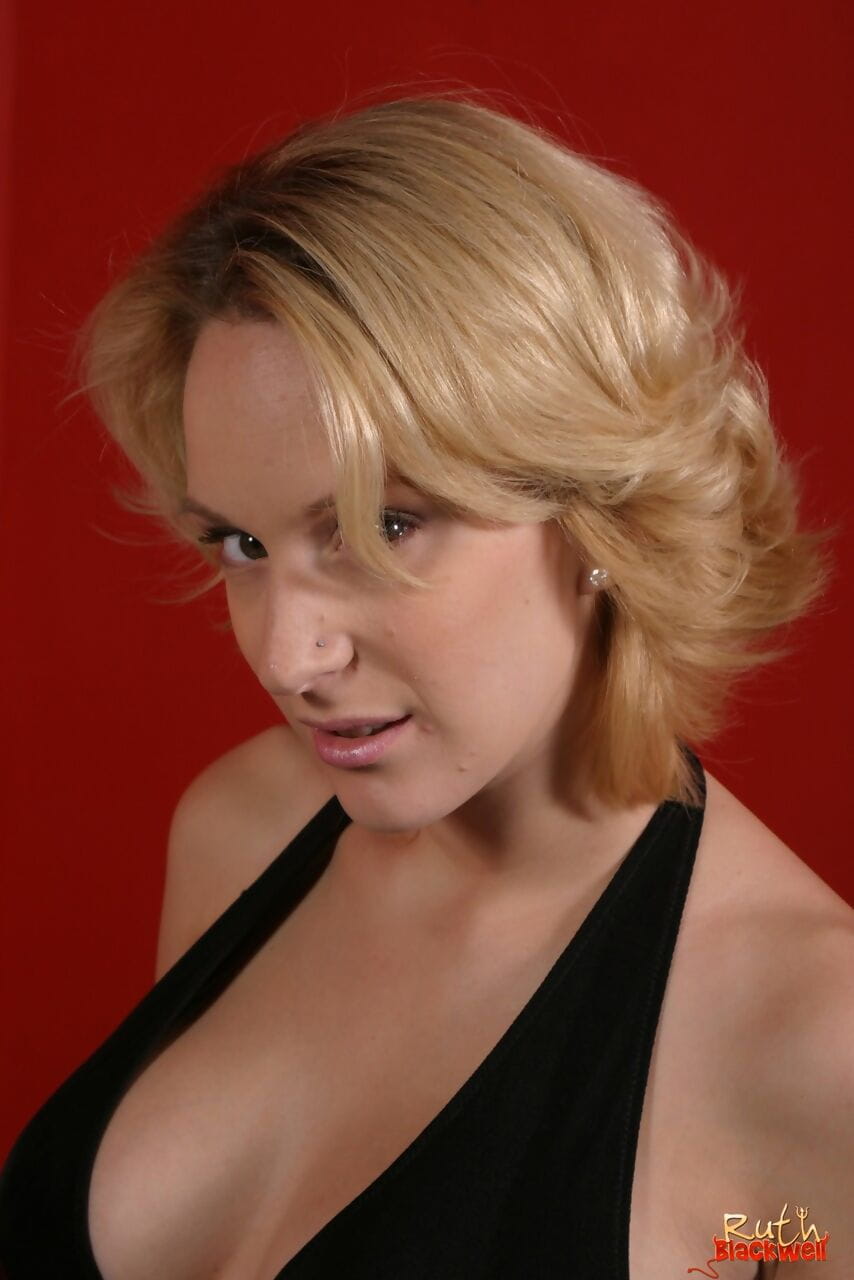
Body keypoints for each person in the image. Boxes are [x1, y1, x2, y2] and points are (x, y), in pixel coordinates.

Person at [1, 91, 852, 1280]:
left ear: (597, 509)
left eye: (381, 525)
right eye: (241, 543)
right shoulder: (244, 827)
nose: (286, 655)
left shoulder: (809, 1042)